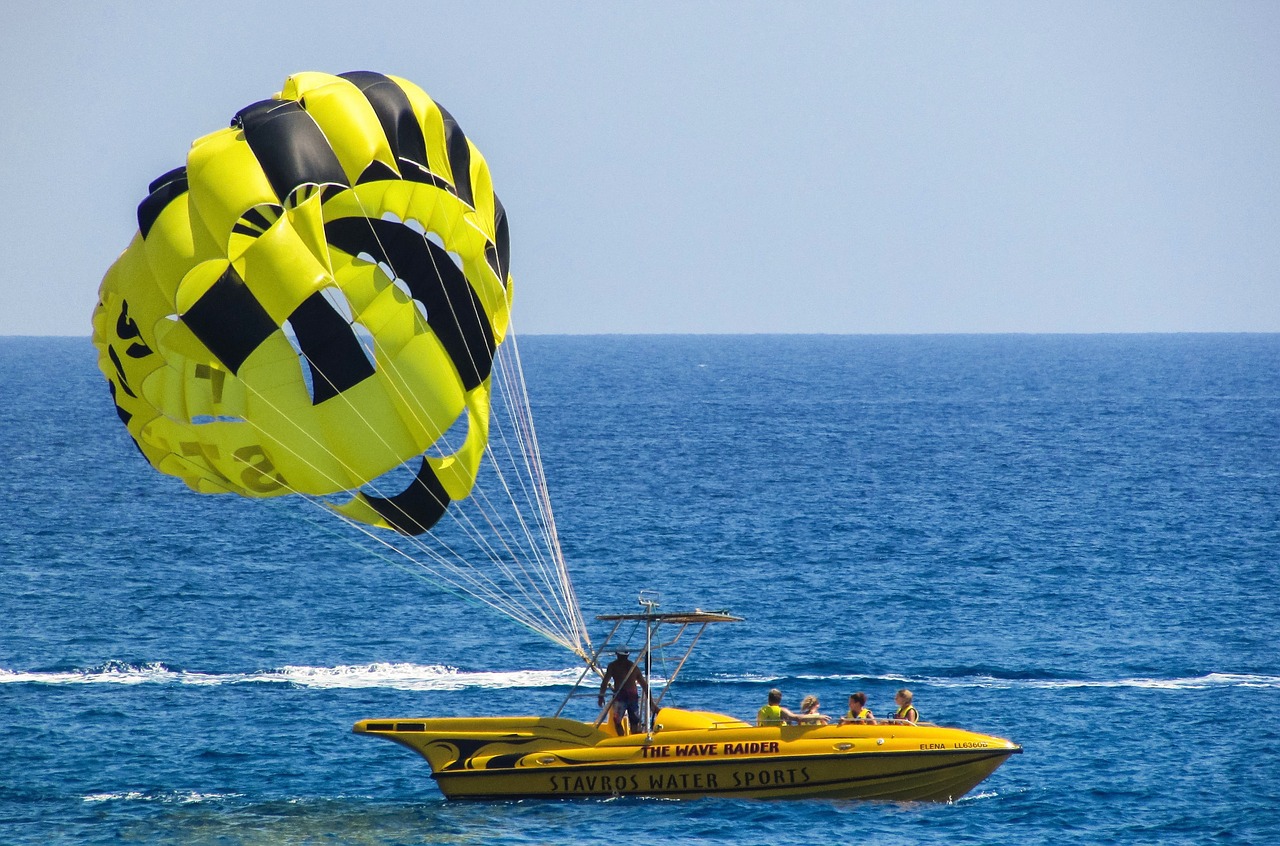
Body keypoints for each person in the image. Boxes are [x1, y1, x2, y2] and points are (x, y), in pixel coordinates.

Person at [598, 649, 651, 735]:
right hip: (632, 696)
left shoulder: (613, 666)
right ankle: (634, 738)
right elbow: (644, 685)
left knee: (618, 721)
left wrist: (601, 696)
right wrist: (651, 702)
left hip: (621, 697)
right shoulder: (633, 667)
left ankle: (622, 738)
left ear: (617, 654)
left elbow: (605, 682)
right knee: (634, 721)